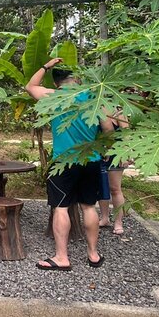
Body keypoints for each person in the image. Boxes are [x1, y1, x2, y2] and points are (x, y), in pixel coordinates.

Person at [25, 58, 114, 271]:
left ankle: (62, 257)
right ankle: (93, 254)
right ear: (77, 78)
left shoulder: (54, 96)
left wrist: (46, 65)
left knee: (61, 208)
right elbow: (109, 129)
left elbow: (30, 86)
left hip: (63, 163)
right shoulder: (94, 97)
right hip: (91, 159)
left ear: (56, 83)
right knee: (89, 207)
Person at [98, 109, 130, 235]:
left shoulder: (119, 112)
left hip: (116, 154)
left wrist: (126, 153)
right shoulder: (95, 107)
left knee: (115, 188)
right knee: (101, 187)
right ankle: (104, 218)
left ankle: (118, 221)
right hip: (98, 151)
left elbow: (126, 135)